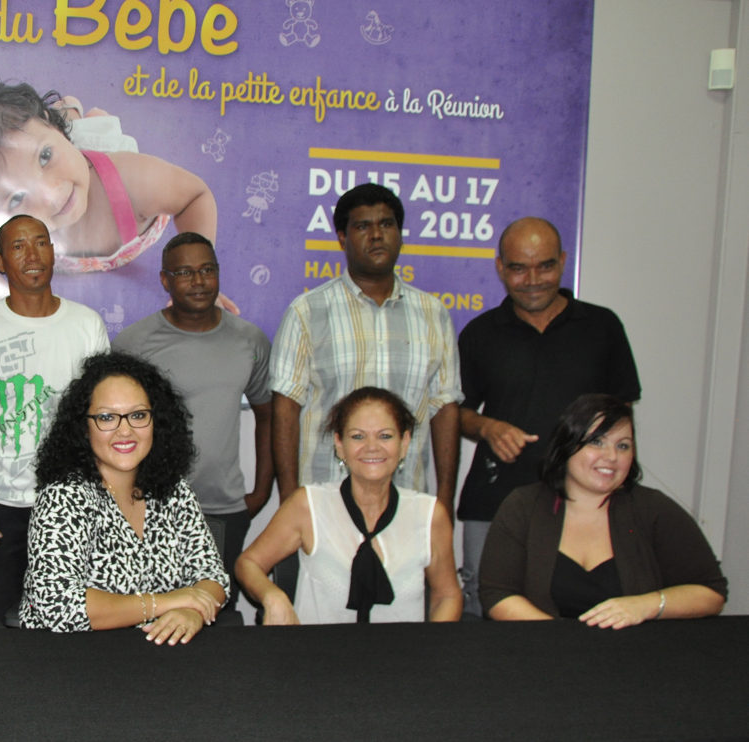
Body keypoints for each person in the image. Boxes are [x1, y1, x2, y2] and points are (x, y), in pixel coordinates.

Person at [456, 217, 641, 616]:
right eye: (519, 268)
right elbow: (455, 412)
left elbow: (622, 412)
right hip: (496, 498)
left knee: (580, 604)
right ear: (500, 268)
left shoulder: (601, 326)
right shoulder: (480, 333)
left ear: (562, 261)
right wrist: (487, 427)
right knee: (483, 602)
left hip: (587, 500)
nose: (533, 279)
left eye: (545, 266)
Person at [0, 75, 219, 288]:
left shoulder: (135, 180)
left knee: (86, 129)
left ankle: (71, 114)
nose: (50, 195)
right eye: (16, 198)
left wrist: (199, 273)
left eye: (44, 157)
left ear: (51, 128)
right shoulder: (4, 227)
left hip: (104, 173)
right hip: (62, 146)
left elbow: (196, 195)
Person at [0, 214, 110, 626]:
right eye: (18, 246)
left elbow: (104, 421)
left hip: (70, 500)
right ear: (0, 261)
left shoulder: (86, 324)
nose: (32, 254)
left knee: (67, 623)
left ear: (54, 252)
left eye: (41, 242)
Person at [269, 183, 461, 513]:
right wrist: (289, 500)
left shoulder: (433, 314)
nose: (376, 235)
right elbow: (285, 410)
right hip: (326, 501)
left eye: (386, 224)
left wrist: (444, 500)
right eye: (362, 226)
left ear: (400, 233)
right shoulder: (308, 311)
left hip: (408, 503)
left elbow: (444, 409)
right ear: (342, 237)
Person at [20, 352, 230, 643]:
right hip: (70, 663)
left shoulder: (173, 490)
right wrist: (167, 602)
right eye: (107, 417)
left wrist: (193, 612)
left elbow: (212, 575)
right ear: (83, 426)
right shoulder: (64, 497)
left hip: (157, 657)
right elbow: (58, 606)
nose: (125, 430)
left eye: (138, 415)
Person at [113, 232, 273, 614]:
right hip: (152, 508)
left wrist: (262, 491)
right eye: (185, 272)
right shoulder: (134, 344)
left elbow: (268, 414)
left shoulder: (249, 340)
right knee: (151, 612)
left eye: (207, 271)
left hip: (222, 507)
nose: (198, 282)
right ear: (165, 280)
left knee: (213, 613)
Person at [480, 395, 726, 627]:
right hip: (545, 654)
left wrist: (646, 605)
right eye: (596, 442)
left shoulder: (653, 509)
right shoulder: (523, 506)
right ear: (566, 446)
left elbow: (711, 592)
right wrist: (559, 638)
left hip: (638, 657)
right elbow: (498, 593)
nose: (611, 456)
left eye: (623, 446)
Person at [236, 387, 462, 624]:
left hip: (405, 657)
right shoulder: (309, 505)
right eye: (357, 436)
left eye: (385, 436)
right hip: (319, 656)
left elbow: (448, 595)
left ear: (404, 443)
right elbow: (247, 563)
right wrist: (273, 596)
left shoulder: (429, 514)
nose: (371, 446)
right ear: (339, 444)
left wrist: (432, 650)